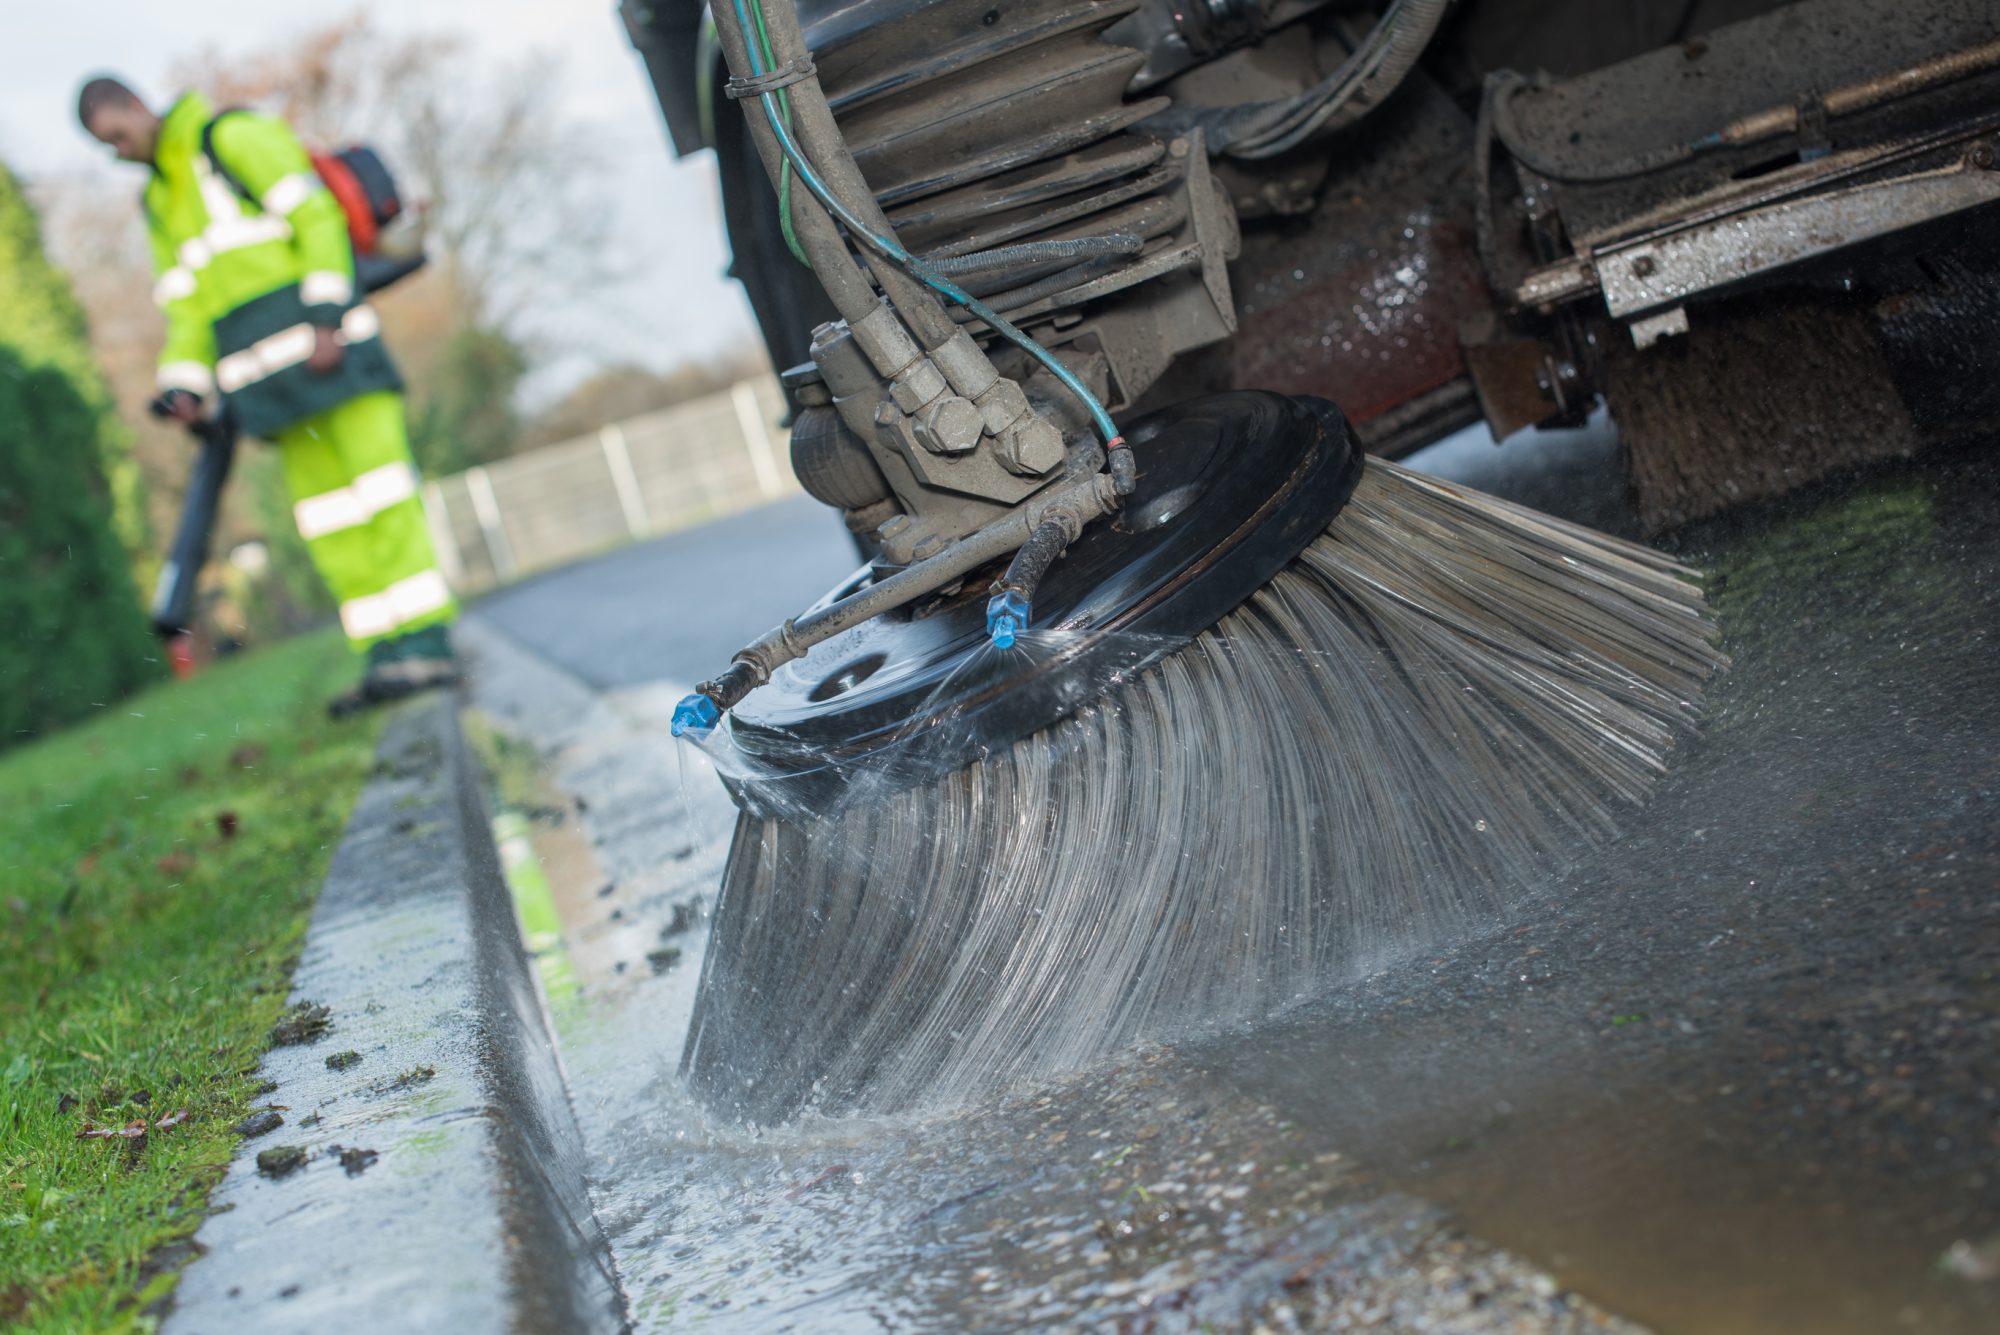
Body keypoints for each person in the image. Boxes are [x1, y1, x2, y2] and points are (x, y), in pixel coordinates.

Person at [78, 75, 458, 712]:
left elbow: (316, 219)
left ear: (135, 108)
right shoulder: (159, 203)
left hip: (336, 357)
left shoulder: (232, 138)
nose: (117, 151)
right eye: (105, 146)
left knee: (383, 497)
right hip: (271, 392)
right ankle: (386, 658)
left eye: (115, 135)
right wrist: (183, 385)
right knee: (330, 521)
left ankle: (428, 644)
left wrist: (328, 316)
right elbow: (188, 311)